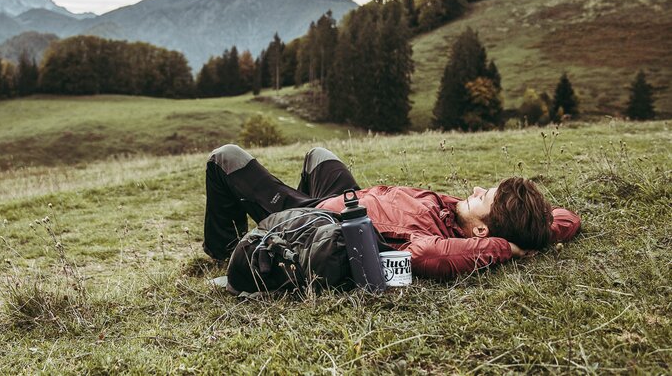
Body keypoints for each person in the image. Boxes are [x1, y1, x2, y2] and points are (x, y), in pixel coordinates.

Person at [204, 144, 581, 280]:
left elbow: (425, 256)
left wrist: (505, 249)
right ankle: (278, 239)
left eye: (483, 198)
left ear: (482, 233)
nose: (477, 189)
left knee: (225, 158)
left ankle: (228, 249)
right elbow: (566, 219)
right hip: (348, 195)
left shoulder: (434, 241)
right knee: (319, 155)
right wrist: (531, 235)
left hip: (320, 214)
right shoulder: (462, 215)